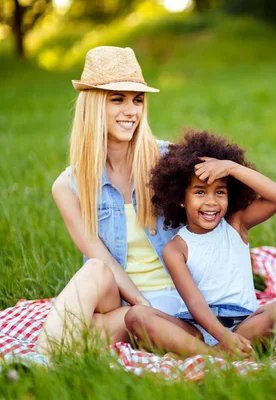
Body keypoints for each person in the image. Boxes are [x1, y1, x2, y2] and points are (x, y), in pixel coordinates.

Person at [35, 46, 184, 357]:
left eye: (138, 100)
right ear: (93, 105)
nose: (131, 111)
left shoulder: (170, 162)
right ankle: (39, 360)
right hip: (124, 299)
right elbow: (100, 258)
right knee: (95, 269)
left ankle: (40, 359)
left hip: (178, 298)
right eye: (118, 99)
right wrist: (141, 307)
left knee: (79, 337)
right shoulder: (69, 185)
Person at [124, 130, 276, 359]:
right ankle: (218, 355)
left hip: (243, 323)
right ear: (181, 199)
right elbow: (194, 302)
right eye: (200, 192)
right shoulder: (176, 248)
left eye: (220, 192)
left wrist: (231, 167)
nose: (211, 202)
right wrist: (223, 338)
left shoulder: (236, 224)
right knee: (137, 317)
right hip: (197, 329)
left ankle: (210, 355)